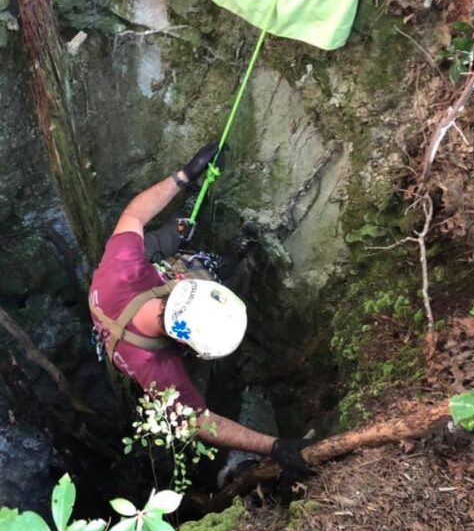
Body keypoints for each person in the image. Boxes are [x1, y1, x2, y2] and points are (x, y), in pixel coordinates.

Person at [88, 142, 310, 477]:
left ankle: (186, 228)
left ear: (179, 288)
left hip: (124, 292)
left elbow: (132, 216)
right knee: (210, 266)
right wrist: (273, 446)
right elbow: (198, 421)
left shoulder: (120, 270)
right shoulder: (157, 370)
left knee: (175, 245)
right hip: (130, 316)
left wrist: (184, 175)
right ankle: (230, 258)